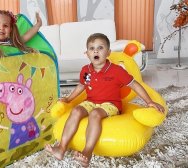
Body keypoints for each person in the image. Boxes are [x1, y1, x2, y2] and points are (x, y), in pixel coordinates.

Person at [45, 33, 165, 167]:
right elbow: (81, 86)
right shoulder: (86, 70)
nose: (95, 50)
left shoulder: (116, 71)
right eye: (91, 48)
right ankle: (61, 148)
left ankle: (87, 152)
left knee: (95, 113)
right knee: (76, 110)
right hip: (91, 101)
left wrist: (149, 102)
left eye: (100, 48)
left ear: (108, 53)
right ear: (87, 53)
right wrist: (68, 99)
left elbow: (135, 84)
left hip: (111, 104)